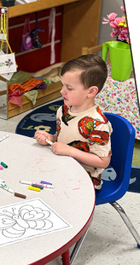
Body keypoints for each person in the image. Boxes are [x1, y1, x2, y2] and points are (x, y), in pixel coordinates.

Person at [34, 54, 112, 189]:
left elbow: (103, 161)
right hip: (61, 165)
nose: (62, 91)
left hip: (84, 179)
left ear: (91, 91)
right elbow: (65, 138)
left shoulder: (98, 124)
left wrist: (69, 151)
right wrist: (50, 139)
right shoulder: (63, 110)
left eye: (69, 88)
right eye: (62, 85)